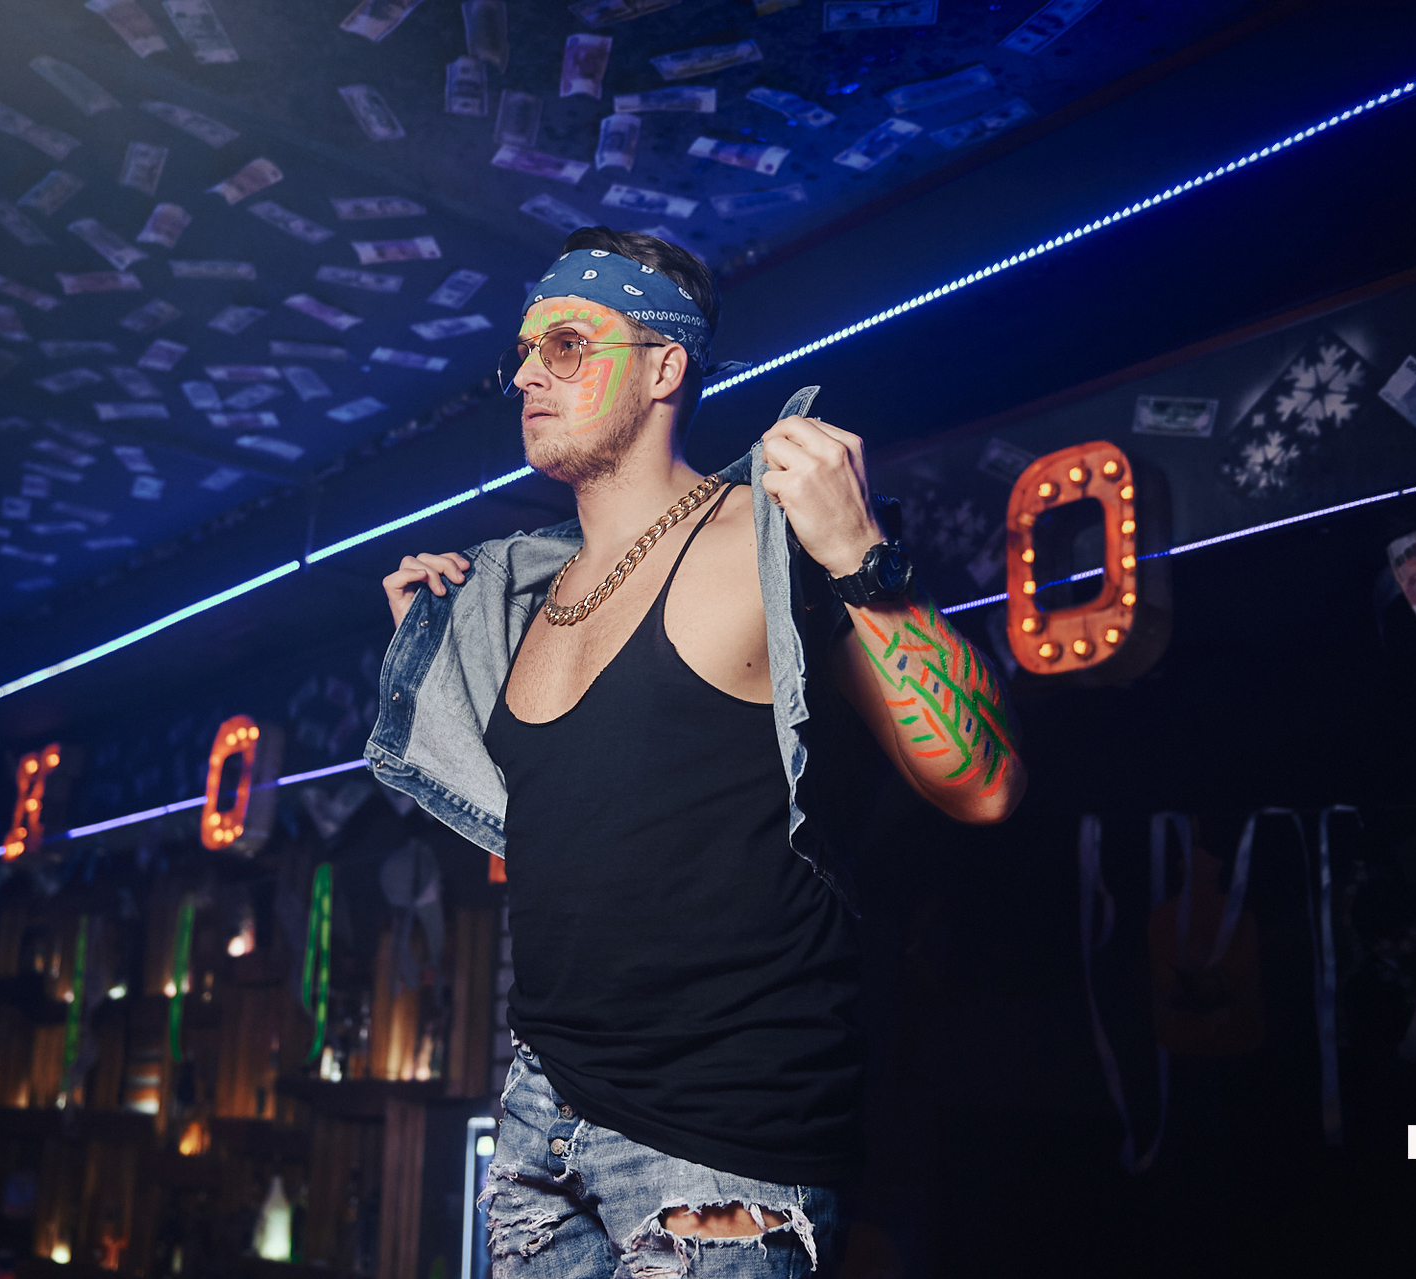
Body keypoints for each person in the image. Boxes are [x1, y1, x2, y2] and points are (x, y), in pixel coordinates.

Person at [366, 228, 1026, 1277]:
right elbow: (576, 852)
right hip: (538, 1124)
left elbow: (984, 783)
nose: (528, 375)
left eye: (568, 346)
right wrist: (442, 653)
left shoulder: (771, 538)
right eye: (524, 353)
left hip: (717, 1148)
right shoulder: (516, 601)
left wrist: (862, 558)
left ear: (664, 366)